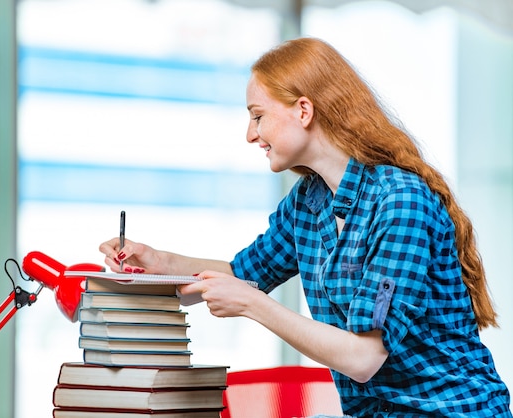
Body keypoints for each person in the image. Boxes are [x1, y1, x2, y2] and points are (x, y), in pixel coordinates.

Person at [99, 37, 511, 417]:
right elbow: (243, 276)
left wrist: (252, 305)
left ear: (303, 109)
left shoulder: (399, 201)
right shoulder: (307, 204)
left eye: (258, 116)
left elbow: (363, 359)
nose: (250, 134)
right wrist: (155, 262)